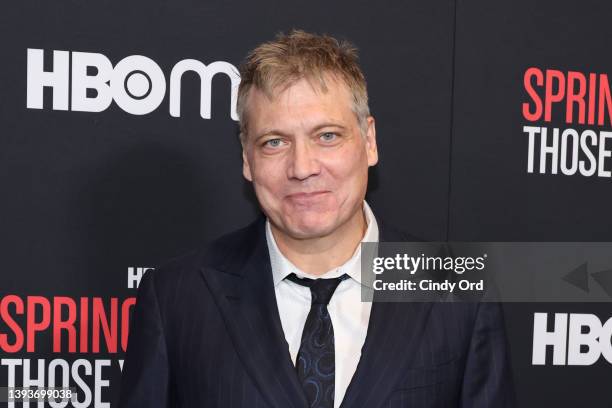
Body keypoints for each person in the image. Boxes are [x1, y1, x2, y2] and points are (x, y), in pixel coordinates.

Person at [118, 29, 515, 408]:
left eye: (327, 136)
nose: (302, 167)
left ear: (370, 141)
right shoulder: (177, 297)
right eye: (274, 142)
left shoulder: (458, 292)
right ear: (247, 159)